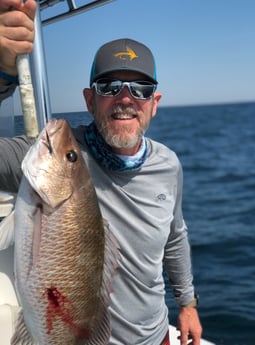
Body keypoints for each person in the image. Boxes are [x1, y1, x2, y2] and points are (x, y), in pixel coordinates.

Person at [0, 1, 203, 344]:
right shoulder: (49, 156)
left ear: (154, 102)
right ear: (89, 100)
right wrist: (3, 75)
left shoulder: (169, 164)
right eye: (109, 87)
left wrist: (187, 304)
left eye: (140, 90)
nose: (125, 99)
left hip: (157, 335)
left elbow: (175, 237)